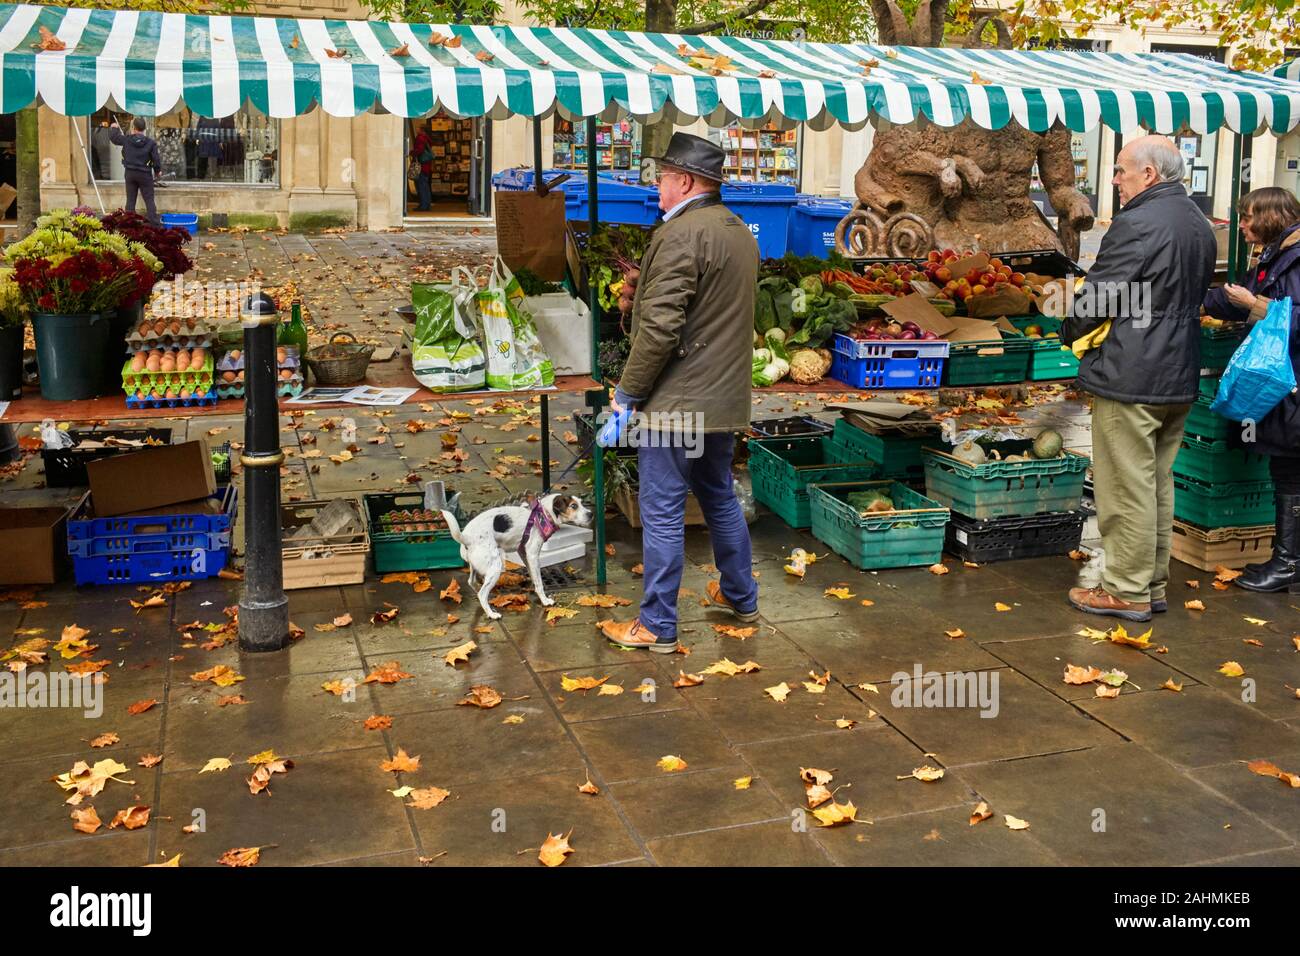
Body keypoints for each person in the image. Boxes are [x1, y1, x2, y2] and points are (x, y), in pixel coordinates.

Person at [598, 132, 760, 653]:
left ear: (685, 181)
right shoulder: (738, 231)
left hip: (680, 406)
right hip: (723, 399)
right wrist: (638, 298)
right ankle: (741, 595)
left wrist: (626, 393)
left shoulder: (680, 235)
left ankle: (657, 625)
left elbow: (663, 331)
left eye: (664, 177)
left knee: (663, 509)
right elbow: (700, 313)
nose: (658, 186)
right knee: (718, 495)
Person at [1063, 135, 1216, 622]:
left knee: (1125, 487)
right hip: (1177, 370)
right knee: (1154, 484)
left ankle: (1125, 591)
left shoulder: (1138, 223)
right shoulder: (1197, 221)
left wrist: (1069, 329)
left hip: (1133, 372)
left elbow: (1101, 295)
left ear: (1149, 174)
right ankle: (1149, 584)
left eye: (1122, 170)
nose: (1115, 179)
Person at [1202, 187, 1300, 592]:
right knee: (1287, 468)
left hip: (1290, 381)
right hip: (1282, 380)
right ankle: (1286, 558)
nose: (1241, 225)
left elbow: (1289, 317)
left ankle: (1288, 564)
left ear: (1273, 217)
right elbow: (1236, 298)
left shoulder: (1295, 259)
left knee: (1291, 470)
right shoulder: (1274, 254)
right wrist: (1195, 302)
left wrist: (1253, 305)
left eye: (1248, 217)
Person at [109, 117, 162, 224]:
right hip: (145, 175)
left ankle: (129, 225)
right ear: (144, 128)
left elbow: (114, 138)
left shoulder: (127, 139)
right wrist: (157, 171)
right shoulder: (151, 143)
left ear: (133, 127)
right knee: (149, 200)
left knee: (130, 201)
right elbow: (156, 159)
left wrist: (114, 128)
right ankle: (155, 225)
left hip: (130, 173)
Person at [410, 123, 434, 212]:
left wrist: (412, 152)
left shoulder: (420, 138)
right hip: (426, 165)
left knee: (421, 185)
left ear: (421, 129)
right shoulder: (427, 138)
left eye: (418, 128)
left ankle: (423, 205)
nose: (416, 129)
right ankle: (427, 204)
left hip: (420, 165)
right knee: (425, 185)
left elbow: (419, 150)